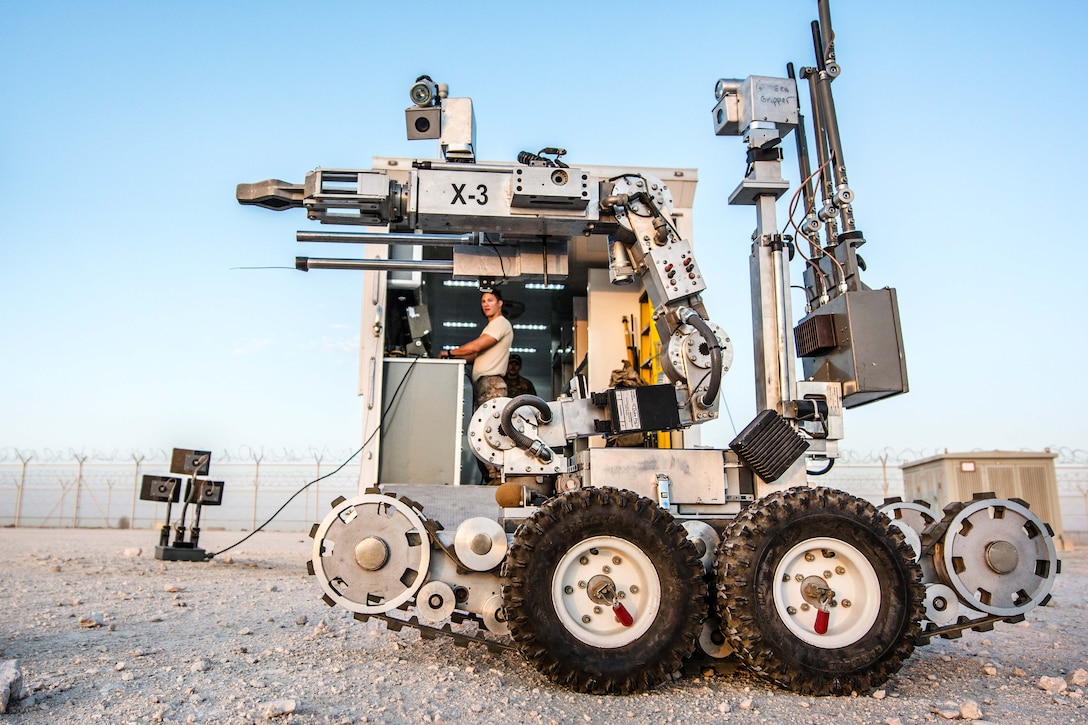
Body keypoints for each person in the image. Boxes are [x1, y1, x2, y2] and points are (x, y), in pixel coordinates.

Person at [438, 289, 512, 484]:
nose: (486, 304)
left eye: (490, 300)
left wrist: (450, 352)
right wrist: (453, 356)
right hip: (484, 384)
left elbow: (476, 347)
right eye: (483, 301)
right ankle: (492, 478)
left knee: (491, 432)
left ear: (500, 303)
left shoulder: (500, 324)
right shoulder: (490, 327)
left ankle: (498, 479)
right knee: (482, 432)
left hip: (492, 384)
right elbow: (474, 355)